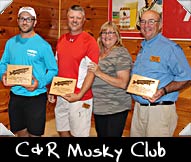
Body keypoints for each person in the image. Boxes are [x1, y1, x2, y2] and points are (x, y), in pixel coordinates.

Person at [130, 10, 191, 137]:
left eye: (151, 21)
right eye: (143, 21)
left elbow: (187, 78)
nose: (146, 25)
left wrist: (162, 91)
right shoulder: (143, 47)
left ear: (160, 25)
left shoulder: (170, 48)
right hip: (139, 110)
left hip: (159, 111)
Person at [0, 6, 58, 137]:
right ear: (18, 20)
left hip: (36, 98)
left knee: (35, 134)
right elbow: (3, 63)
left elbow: (53, 70)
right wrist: (2, 74)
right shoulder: (10, 43)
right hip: (16, 96)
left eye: (28, 19)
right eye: (22, 18)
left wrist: (40, 83)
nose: (25, 22)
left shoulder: (43, 46)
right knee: (19, 132)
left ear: (34, 22)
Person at [48, 5, 99, 137]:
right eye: (72, 17)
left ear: (83, 20)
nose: (74, 20)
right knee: (61, 128)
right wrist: (52, 90)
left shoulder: (90, 42)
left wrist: (80, 94)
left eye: (78, 18)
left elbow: (91, 72)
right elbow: (57, 67)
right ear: (67, 19)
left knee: (79, 134)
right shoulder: (61, 40)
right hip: (62, 94)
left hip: (80, 98)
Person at [88, 21, 133, 137]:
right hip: (99, 106)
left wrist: (99, 73)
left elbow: (123, 83)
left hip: (115, 106)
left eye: (111, 32)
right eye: (104, 32)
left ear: (117, 36)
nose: (107, 35)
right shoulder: (98, 52)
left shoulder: (121, 53)